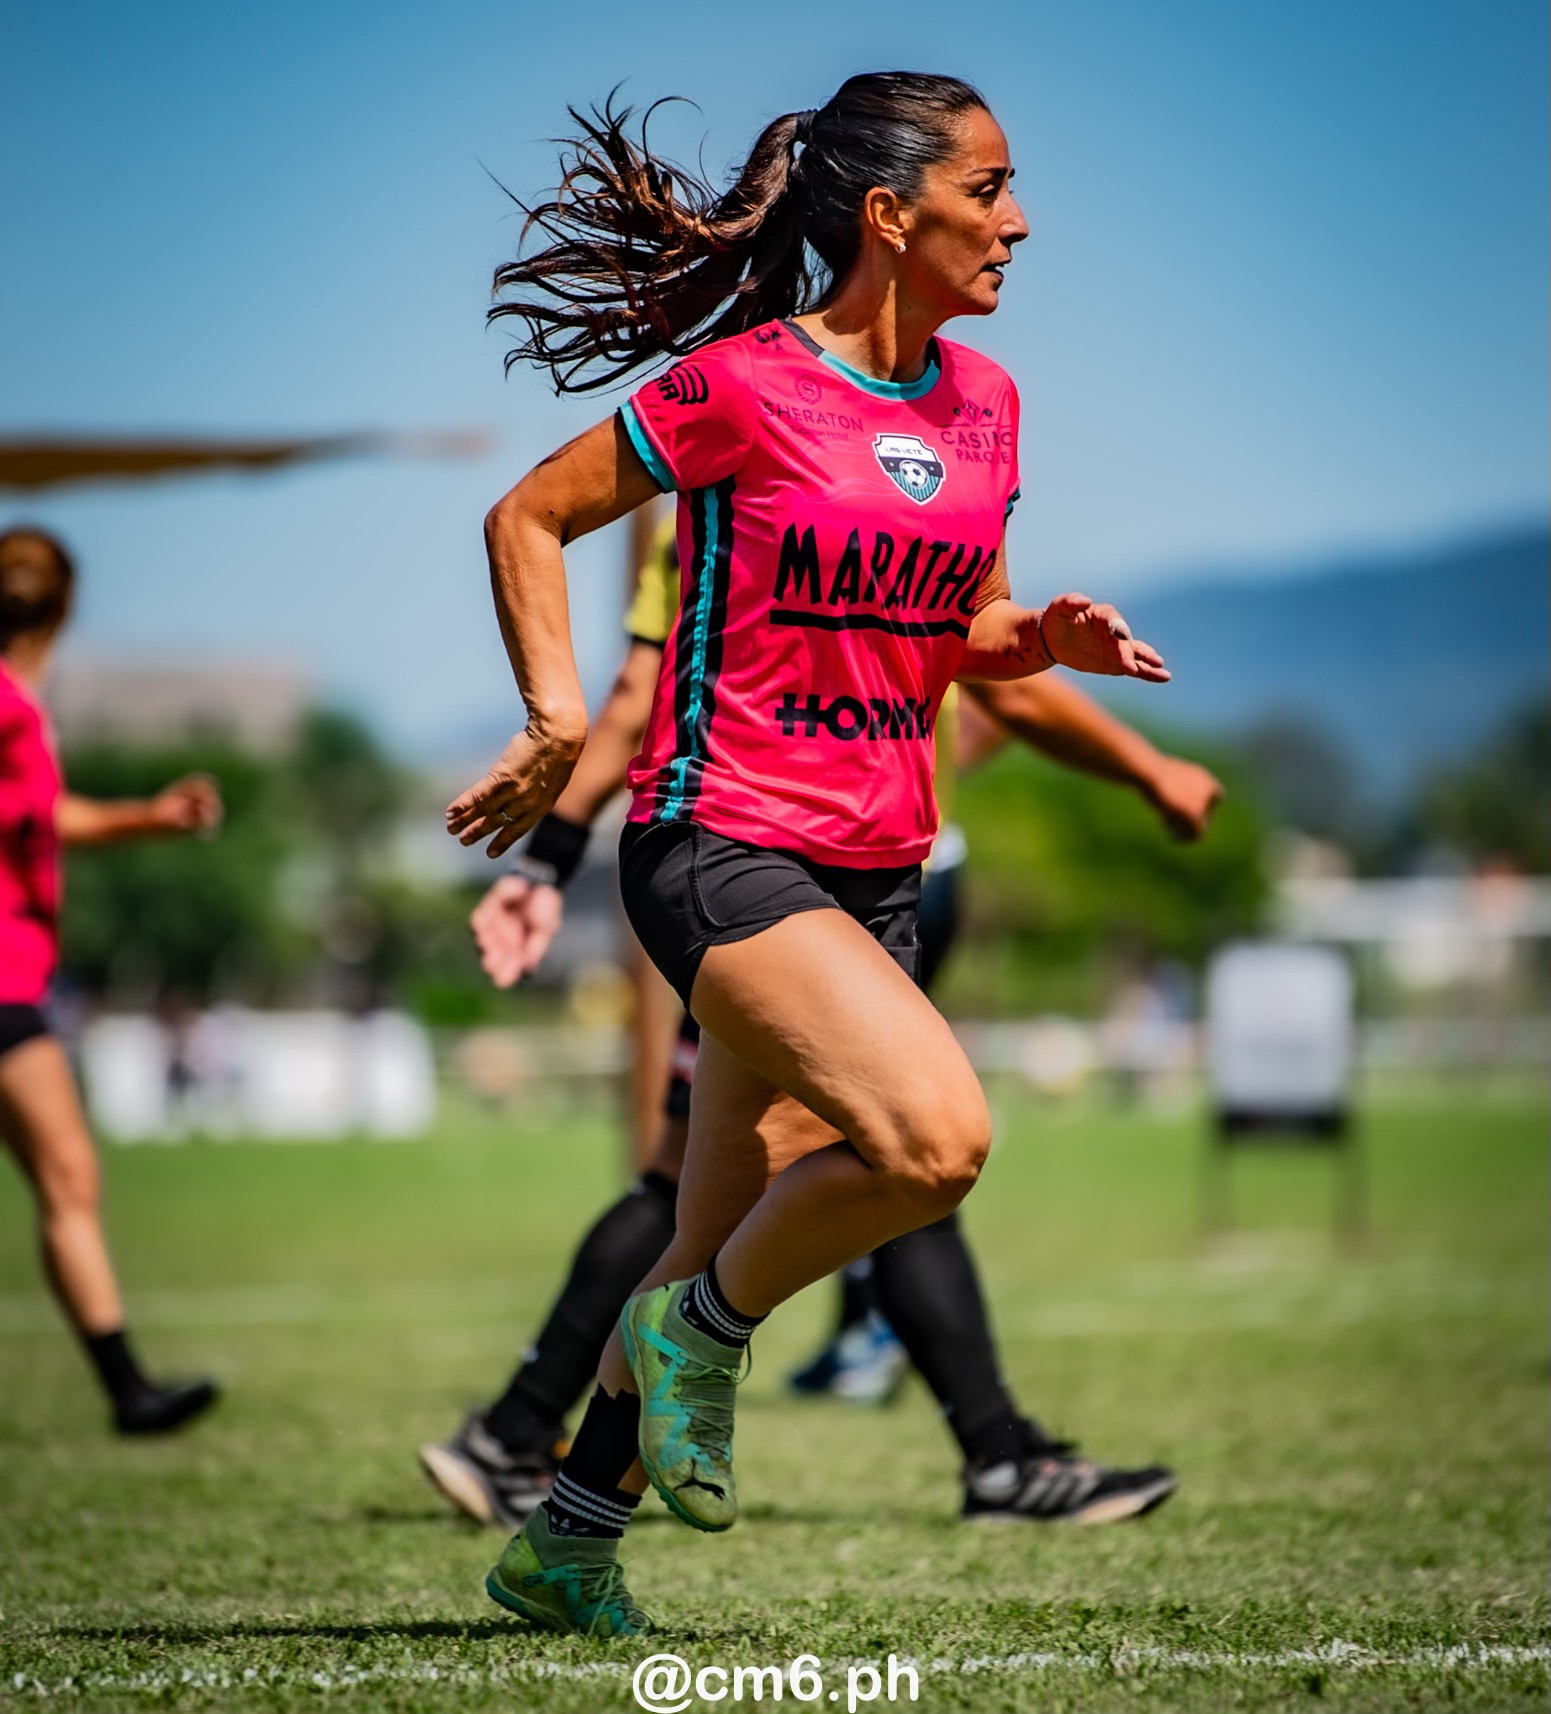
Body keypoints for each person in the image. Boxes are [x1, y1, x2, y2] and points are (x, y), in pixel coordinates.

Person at [447, 73, 1172, 1635]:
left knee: (709, 1230)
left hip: (880, 866)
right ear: (890, 217)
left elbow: (959, 620)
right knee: (934, 1142)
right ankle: (702, 1338)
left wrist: (1034, 634)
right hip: (718, 843)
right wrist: (559, 717)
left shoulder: (989, 402)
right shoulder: (742, 387)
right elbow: (524, 515)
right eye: (988, 189)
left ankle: (563, 1545)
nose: (1019, 220)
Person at [421, 520, 1221, 1530]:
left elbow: (987, 665)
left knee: (739, 1193)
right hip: (762, 878)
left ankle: (561, 1526)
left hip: (867, 872)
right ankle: (655, 1375)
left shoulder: (931, 442)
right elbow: (555, 555)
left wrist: (1060, 675)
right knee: (873, 1160)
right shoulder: (740, 463)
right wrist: (547, 854)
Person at [0, 527, 223, 1434]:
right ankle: (128, 1392)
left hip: (18, 972)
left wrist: (149, 816)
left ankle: (128, 1390)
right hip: (5, 978)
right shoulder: (11, 703)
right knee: (68, 1173)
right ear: (67, 604)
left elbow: (42, 814)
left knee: (65, 1177)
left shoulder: (20, 701)